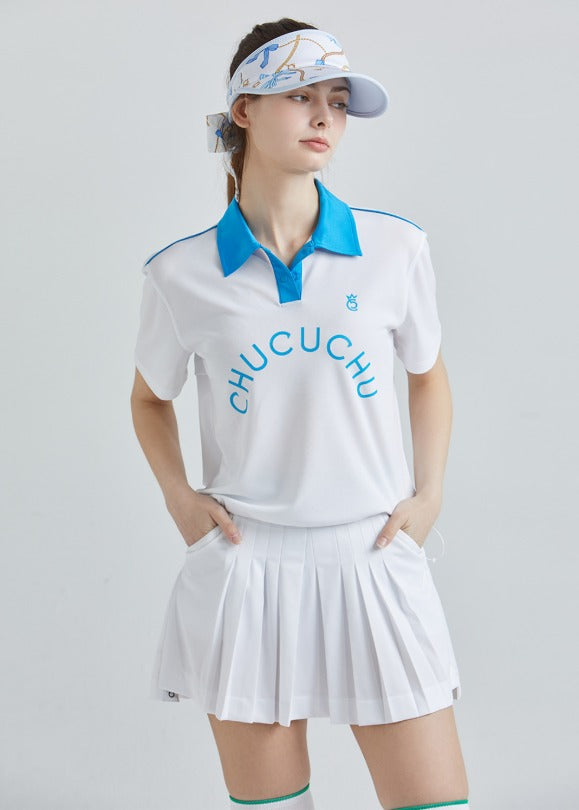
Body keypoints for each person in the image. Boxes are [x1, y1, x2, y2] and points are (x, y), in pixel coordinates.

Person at [130, 17, 470, 810]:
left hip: (373, 555)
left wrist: (429, 494)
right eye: (300, 96)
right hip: (244, 569)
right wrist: (179, 497)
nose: (324, 116)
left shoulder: (394, 250)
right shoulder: (180, 274)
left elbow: (427, 375)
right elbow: (149, 398)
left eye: (338, 101)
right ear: (243, 110)